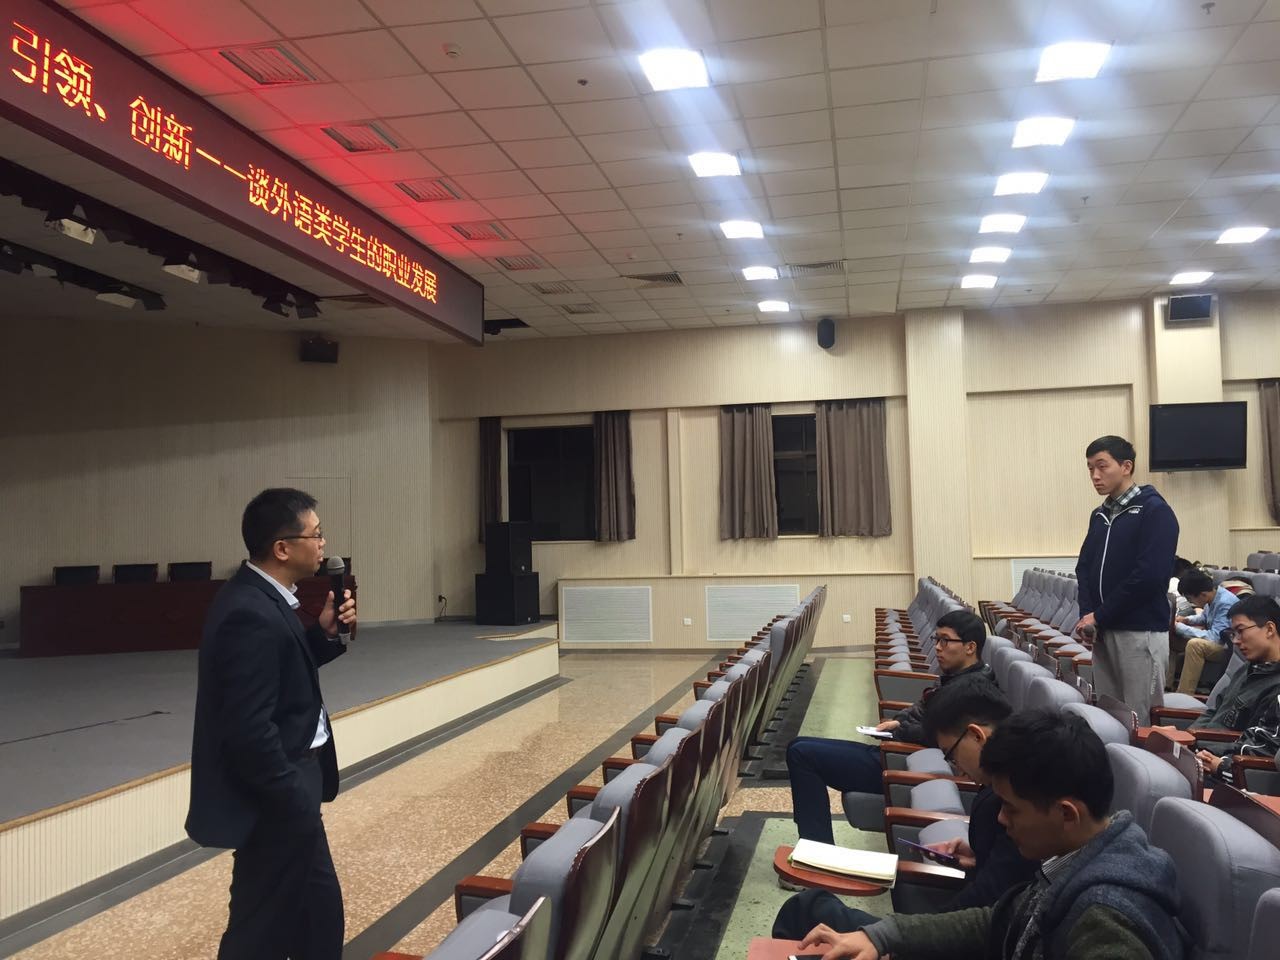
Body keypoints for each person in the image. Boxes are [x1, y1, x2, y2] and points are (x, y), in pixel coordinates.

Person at [799, 710, 1185, 960]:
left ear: (1066, 814)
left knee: (806, 913)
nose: (1001, 819)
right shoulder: (1080, 859)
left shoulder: (1106, 923)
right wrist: (884, 936)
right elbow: (997, 921)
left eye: (1011, 808)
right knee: (810, 912)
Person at [186, 488, 357, 960]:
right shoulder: (248, 612)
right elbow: (248, 729)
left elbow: (280, 675)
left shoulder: (268, 599)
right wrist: (292, 799)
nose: (323, 544)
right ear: (283, 548)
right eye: (315, 534)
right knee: (258, 931)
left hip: (292, 790)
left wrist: (322, 635)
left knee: (319, 918)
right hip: (275, 800)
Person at [772, 678, 1037, 939]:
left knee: (804, 909)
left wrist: (901, 935)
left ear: (976, 736)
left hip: (950, 938)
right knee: (808, 908)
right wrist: (978, 855)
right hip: (949, 931)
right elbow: (1004, 879)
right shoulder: (1008, 791)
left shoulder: (1014, 801)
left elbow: (984, 909)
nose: (955, 768)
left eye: (950, 754)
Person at [786, 610, 993, 845]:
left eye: (945, 641)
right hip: (898, 752)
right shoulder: (955, 676)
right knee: (798, 745)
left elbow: (934, 734)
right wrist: (899, 721)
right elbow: (920, 707)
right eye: (936, 639)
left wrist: (899, 730)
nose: (937, 647)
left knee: (801, 753)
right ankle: (814, 846)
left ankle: (816, 849)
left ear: (970, 647)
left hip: (906, 764)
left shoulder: (972, 690)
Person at [1074, 435, 1180, 724]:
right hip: (1103, 628)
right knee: (1111, 715)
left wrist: (1100, 614)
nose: (1095, 476)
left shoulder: (1154, 511)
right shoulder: (1099, 515)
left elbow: (1149, 577)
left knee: (1139, 718)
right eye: (1090, 468)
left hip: (1140, 631)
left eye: (1102, 466)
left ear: (1126, 467)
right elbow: (1084, 568)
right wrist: (1088, 615)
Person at [1187, 594, 1280, 785]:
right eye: (1233, 634)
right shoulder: (1247, 668)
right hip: (1203, 753)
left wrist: (1215, 760)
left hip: (1231, 771)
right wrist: (1185, 738)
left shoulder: (1275, 686)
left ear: (1270, 629)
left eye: (1241, 631)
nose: (1236, 641)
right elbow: (1214, 711)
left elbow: (1258, 744)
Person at [1172, 569, 1235, 694]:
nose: (1190, 602)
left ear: (1203, 595)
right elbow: (1204, 617)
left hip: (1227, 648)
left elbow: (1215, 638)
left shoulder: (1225, 603)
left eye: (1190, 599)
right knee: (1172, 640)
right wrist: (1185, 620)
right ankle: (1167, 687)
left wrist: (1179, 627)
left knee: (1195, 645)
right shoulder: (1213, 596)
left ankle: (1185, 694)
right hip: (1217, 642)